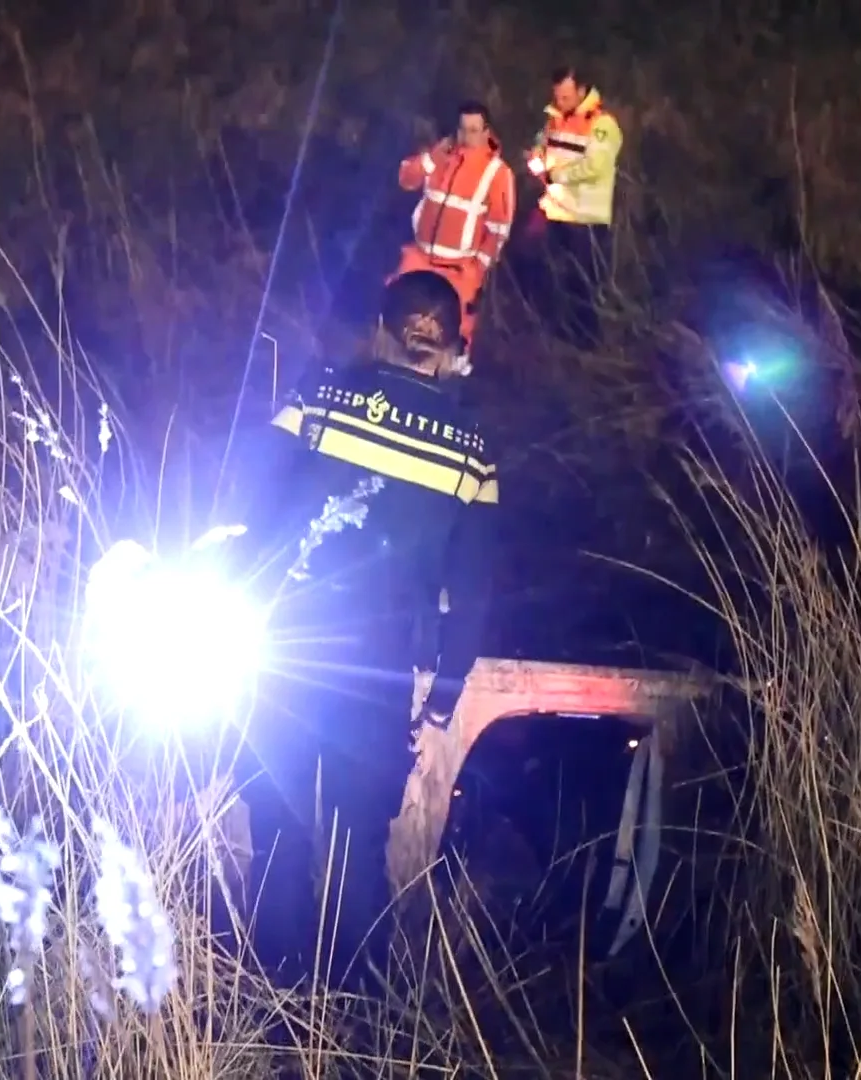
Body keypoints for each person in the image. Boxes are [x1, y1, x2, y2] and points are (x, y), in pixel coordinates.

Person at [223, 269, 499, 991]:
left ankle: (272, 1001)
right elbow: (472, 591)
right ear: (452, 349)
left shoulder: (317, 397)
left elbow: (249, 504)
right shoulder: (472, 450)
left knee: (277, 827)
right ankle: (357, 1013)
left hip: (283, 653)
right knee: (357, 845)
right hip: (377, 673)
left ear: (380, 332)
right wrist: (442, 701)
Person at [393, 101, 516, 364]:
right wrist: (432, 158)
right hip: (420, 255)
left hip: (460, 268)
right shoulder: (439, 156)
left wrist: (477, 268)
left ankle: (453, 371)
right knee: (397, 307)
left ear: (486, 132)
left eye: (473, 130)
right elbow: (406, 179)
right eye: (462, 129)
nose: (467, 136)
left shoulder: (497, 172)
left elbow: (498, 229)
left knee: (458, 327)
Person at [523, 65, 623, 350]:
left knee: (584, 289)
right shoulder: (555, 119)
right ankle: (553, 337)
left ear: (581, 91)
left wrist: (556, 175)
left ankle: (586, 346)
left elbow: (595, 166)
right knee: (550, 277)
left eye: (566, 97)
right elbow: (542, 143)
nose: (560, 102)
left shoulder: (602, 124)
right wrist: (536, 156)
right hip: (555, 212)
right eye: (557, 96)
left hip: (585, 221)